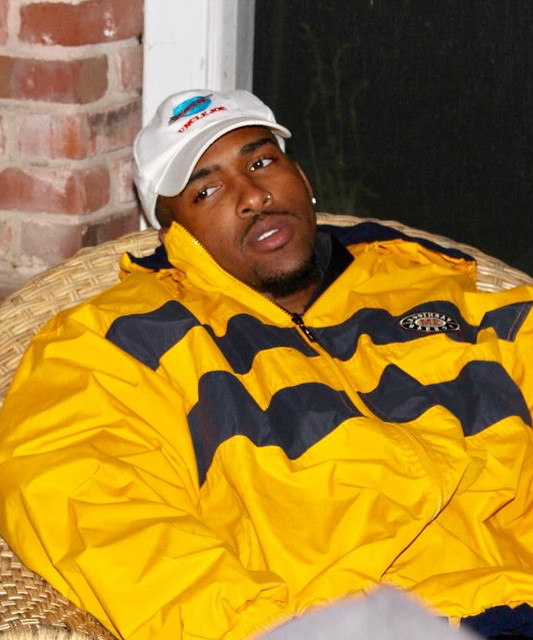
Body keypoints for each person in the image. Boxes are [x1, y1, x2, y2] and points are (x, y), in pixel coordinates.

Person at [0, 88, 532, 640]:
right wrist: (257, 630)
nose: (252, 196)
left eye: (260, 162)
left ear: (301, 176)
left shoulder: (435, 289)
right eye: (206, 190)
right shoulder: (120, 339)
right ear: (175, 235)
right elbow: (89, 504)